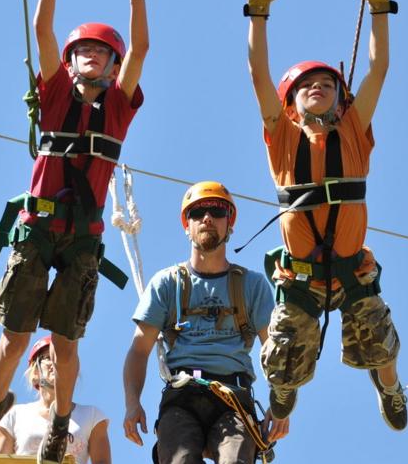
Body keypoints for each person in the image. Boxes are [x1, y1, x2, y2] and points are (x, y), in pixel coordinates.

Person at [0, 0, 153, 464]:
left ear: (113, 66)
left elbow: (141, 48)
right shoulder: (53, 95)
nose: (92, 56)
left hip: (83, 237)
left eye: (102, 52)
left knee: (66, 342)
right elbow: (43, 29)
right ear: (69, 63)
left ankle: (61, 421)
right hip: (39, 227)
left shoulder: (118, 107)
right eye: (83, 50)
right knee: (16, 336)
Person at [235, 0, 408, 430]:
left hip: (352, 269)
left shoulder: (353, 129)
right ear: (290, 104)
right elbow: (258, 74)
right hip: (302, 277)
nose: (318, 87)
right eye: (306, 86)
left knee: (379, 339)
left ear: (340, 99)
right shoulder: (283, 138)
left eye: (327, 85)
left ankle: (389, 386)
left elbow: (378, 69)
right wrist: (257, 13)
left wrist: (380, 7)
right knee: (283, 357)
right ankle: (285, 386)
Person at [123, 181, 289, 463]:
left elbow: (274, 350)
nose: (207, 218)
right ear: (186, 225)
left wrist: (280, 403)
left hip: (234, 401)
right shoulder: (167, 283)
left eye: (217, 211)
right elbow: (139, 351)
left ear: (229, 223)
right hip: (182, 398)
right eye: (197, 212)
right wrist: (132, 404)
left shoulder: (251, 285)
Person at [0, 336, 112, 463]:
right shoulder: (15, 415)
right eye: (48, 358)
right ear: (35, 372)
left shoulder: (92, 416)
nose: (57, 363)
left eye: (63, 360)